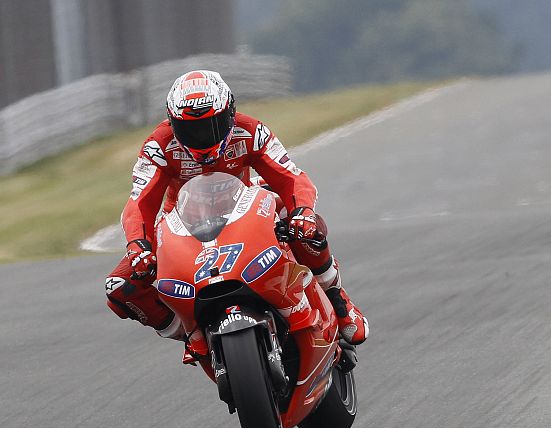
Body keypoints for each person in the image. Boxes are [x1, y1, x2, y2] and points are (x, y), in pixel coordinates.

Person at [105, 70, 368, 364]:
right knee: (120, 286)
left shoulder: (251, 131)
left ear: (230, 113)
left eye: (212, 125)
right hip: (181, 223)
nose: (202, 138)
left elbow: (292, 178)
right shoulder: (158, 146)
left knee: (306, 224)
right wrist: (138, 245)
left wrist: (303, 212)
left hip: (244, 208)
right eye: (190, 129)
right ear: (172, 123)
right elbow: (139, 202)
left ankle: (337, 298)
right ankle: (189, 332)